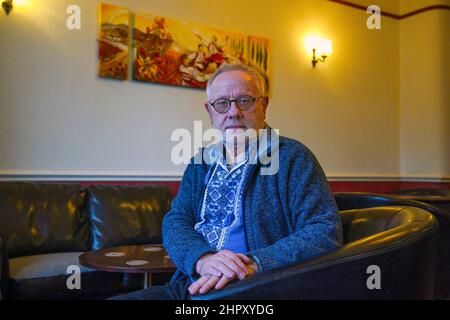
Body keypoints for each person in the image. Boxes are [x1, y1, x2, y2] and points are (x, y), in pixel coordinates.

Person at [110, 63, 342, 300]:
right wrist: (202, 259)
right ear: (210, 112)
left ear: (264, 105)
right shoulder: (200, 162)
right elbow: (176, 221)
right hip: (191, 285)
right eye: (221, 103)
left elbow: (324, 230)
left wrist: (255, 263)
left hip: (257, 286)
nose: (233, 112)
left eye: (245, 101)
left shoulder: (292, 157)